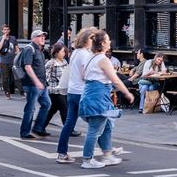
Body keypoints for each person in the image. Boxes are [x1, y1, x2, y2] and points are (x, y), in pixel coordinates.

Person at [78, 29, 134, 169]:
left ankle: (107, 155)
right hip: (97, 97)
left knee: (107, 125)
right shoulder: (103, 60)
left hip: (92, 94)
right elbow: (115, 80)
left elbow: (83, 76)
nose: (110, 42)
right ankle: (87, 159)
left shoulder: (90, 57)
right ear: (103, 43)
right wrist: (128, 93)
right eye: (108, 40)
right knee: (95, 129)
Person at [55, 27, 98, 164]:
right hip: (82, 92)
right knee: (97, 121)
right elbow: (87, 74)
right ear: (88, 40)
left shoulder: (75, 52)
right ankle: (105, 151)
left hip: (72, 92)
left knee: (69, 123)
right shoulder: (85, 55)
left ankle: (62, 154)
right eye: (93, 39)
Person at [17, 29, 51, 139]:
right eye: (40, 36)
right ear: (33, 38)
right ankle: (25, 132)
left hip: (42, 84)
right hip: (32, 85)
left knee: (46, 104)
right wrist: (36, 81)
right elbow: (27, 66)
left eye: (44, 36)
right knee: (30, 108)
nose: (43, 38)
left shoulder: (40, 50)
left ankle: (38, 128)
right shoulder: (29, 49)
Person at [36, 43, 69, 133]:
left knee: (52, 110)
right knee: (64, 109)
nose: (64, 54)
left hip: (63, 89)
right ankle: (69, 130)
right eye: (62, 52)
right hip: (54, 90)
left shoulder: (65, 62)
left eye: (65, 52)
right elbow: (46, 78)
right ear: (56, 52)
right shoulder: (51, 63)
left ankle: (40, 127)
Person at [0, 25, 18, 100]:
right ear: (2, 31)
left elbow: (17, 48)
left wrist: (18, 54)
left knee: (15, 77)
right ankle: (7, 93)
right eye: (4, 30)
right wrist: (3, 39)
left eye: (7, 29)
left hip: (13, 60)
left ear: (9, 30)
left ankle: (20, 92)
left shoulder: (13, 38)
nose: (6, 31)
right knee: (5, 79)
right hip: (3, 61)